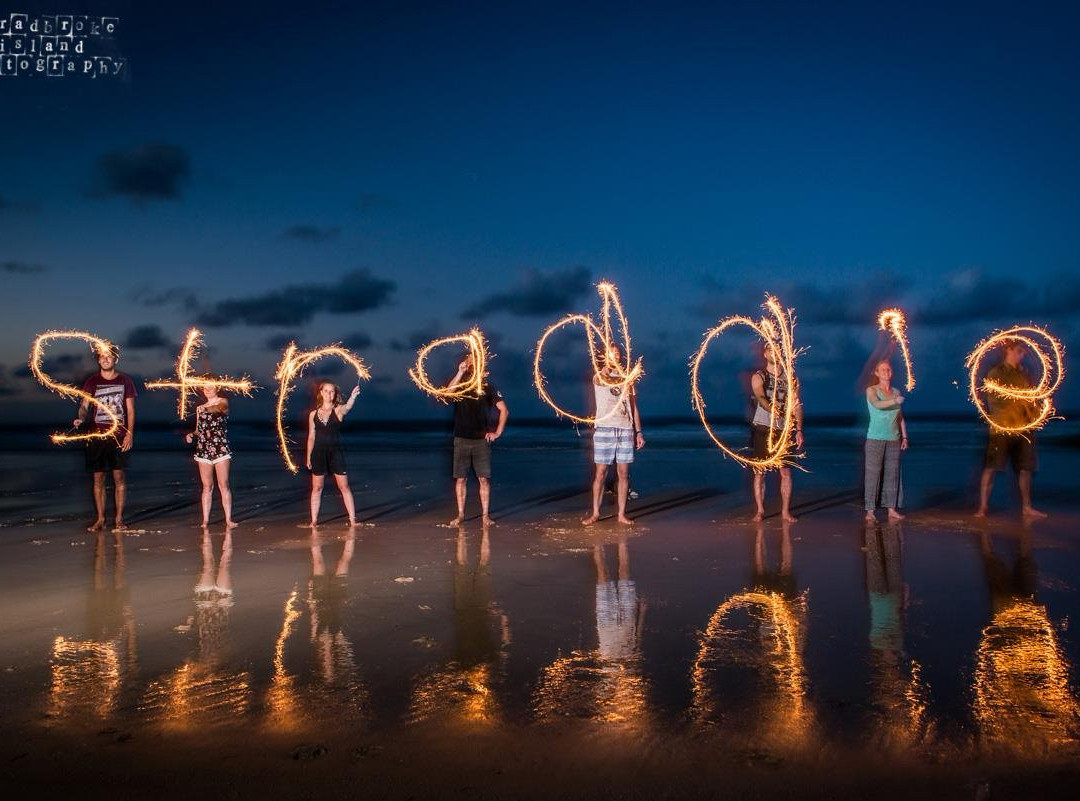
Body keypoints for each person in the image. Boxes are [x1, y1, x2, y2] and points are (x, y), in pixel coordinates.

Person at [975, 340, 1046, 519]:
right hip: (1002, 429)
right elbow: (993, 402)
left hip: (1024, 429)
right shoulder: (996, 373)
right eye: (1019, 351)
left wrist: (1036, 414)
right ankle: (983, 508)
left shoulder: (1025, 374)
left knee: (1025, 468)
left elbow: (1032, 399)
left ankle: (1027, 507)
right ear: (1008, 350)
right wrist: (1017, 402)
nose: (1022, 355)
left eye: (1023, 352)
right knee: (991, 467)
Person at [72, 343, 137, 532]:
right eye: (102, 356)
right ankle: (100, 519)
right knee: (98, 479)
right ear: (98, 359)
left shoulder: (126, 381)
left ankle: (118, 519)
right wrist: (80, 418)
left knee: (119, 477)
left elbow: (131, 411)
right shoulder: (91, 382)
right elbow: (84, 406)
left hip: (118, 436)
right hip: (96, 436)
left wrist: (129, 434)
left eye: (109, 356)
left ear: (115, 359)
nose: (105, 359)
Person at [582, 345, 644, 526]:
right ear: (605, 356)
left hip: (625, 428)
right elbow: (602, 378)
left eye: (617, 353)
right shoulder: (599, 376)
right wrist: (608, 364)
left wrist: (638, 431)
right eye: (612, 353)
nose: (615, 355)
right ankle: (595, 513)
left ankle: (621, 514)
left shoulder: (627, 379)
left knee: (623, 474)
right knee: (600, 473)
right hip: (604, 428)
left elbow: (633, 407)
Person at [448, 354, 508, 526]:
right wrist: (459, 372)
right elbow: (448, 392)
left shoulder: (487, 386)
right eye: (469, 362)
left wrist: (497, 432)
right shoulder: (461, 383)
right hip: (461, 438)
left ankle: (485, 516)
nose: (472, 364)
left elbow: (504, 410)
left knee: (483, 479)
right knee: (460, 479)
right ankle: (460, 515)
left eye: (474, 361)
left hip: (481, 440)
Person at [750, 344, 804, 523]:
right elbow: (761, 398)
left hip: (784, 430)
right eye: (771, 350)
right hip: (763, 428)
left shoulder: (791, 378)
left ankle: (785, 512)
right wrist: (776, 411)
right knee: (760, 472)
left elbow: (796, 405)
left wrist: (799, 430)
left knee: (786, 472)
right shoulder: (759, 376)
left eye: (778, 350)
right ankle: (760, 511)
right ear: (765, 354)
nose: (775, 353)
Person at [305, 381, 361, 527]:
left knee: (344, 486)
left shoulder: (338, 411)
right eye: (327, 391)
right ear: (321, 393)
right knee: (317, 488)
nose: (330, 394)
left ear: (334, 394)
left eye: (332, 391)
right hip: (318, 453)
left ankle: (353, 520)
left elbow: (347, 407)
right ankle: (314, 521)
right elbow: (311, 436)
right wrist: (308, 456)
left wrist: (353, 397)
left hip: (336, 453)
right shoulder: (313, 414)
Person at [183, 382, 237, 528]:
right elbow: (199, 429)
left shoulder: (222, 401)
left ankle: (228, 519)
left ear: (217, 388)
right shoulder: (199, 408)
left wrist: (206, 408)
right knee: (207, 486)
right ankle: (205, 521)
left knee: (223, 484)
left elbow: (221, 409)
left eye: (211, 387)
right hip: (203, 448)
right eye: (205, 387)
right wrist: (191, 435)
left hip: (220, 447)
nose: (207, 390)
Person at [864, 360, 908, 522]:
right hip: (875, 438)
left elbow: (900, 416)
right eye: (882, 369)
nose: (886, 371)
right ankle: (870, 511)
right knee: (872, 475)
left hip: (894, 439)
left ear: (892, 372)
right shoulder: (871, 390)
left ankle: (891, 509)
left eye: (888, 369)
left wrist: (904, 436)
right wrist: (895, 401)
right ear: (877, 373)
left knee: (892, 474)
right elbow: (878, 404)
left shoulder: (896, 391)